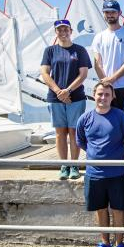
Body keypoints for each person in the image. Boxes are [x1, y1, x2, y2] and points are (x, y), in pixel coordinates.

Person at [75, 81, 124, 247]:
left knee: (118, 209)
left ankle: (120, 244)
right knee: (100, 209)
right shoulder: (85, 118)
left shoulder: (120, 116)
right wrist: (96, 156)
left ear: (112, 97)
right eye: (100, 94)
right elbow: (81, 141)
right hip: (94, 173)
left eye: (107, 95)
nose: (103, 98)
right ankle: (105, 244)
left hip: (117, 173)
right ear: (94, 95)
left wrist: (116, 156)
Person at [40, 19, 92, 180]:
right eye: (59, 30)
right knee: (60, 132)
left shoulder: (80, 50)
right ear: (56, 32)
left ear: (71, 31)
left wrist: (68, 91)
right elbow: (45, 73)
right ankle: (64, 165)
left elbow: (83, 74)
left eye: (65, 29)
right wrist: (58, 91)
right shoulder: (50, 51)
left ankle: (74, 165)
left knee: (74, 131)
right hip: (55, 98)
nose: (63, 33)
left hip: (75, 97)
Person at [92, 0, 124, 109]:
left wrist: (112, 79)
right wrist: (106, 84)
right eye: (107, 12)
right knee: (106, 121)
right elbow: (97, 64)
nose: (110, 15)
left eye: (113, 12)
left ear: (119, 13)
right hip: (105, 88)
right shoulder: (99, 37)